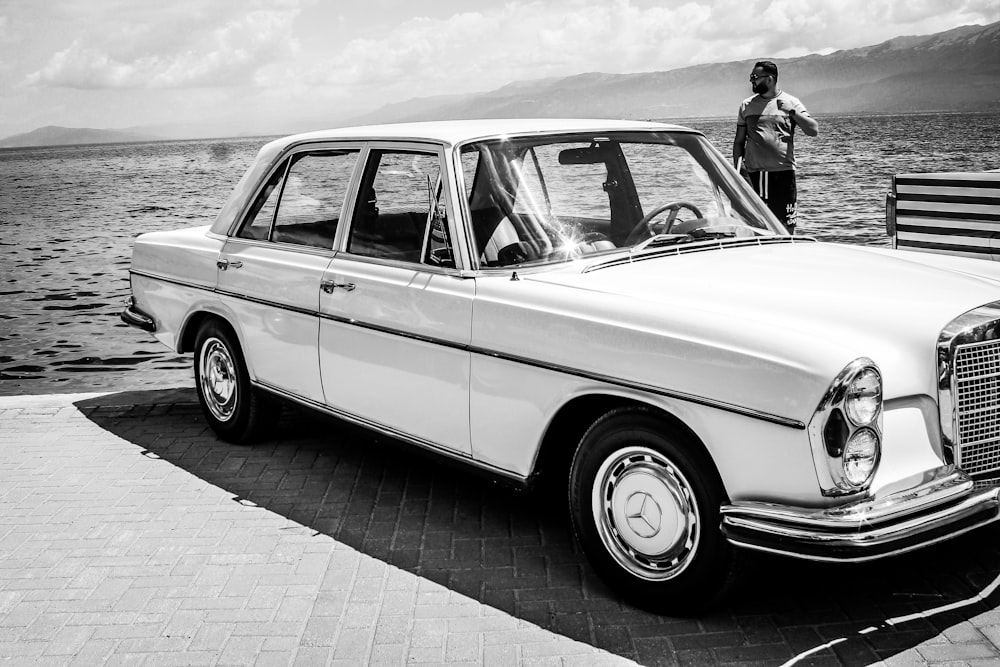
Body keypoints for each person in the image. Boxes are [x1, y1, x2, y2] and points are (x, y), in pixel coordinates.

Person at [733, 60, 819, 234]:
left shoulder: (791, 102)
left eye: (755, 77)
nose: (752, 81)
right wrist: (738, 171)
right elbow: (739, 142)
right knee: (757, 226)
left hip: (784, 175)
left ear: (770, 79)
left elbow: (813, 130)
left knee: (787, 227)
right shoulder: (746, 106)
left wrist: (791, 112)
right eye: (751, 77)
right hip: (756, 174)